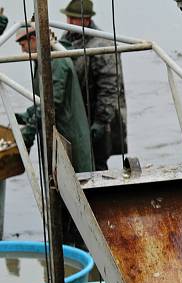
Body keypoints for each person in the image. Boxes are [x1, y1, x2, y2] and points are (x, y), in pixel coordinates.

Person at [15, 22, 93, 173]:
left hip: (70, 137)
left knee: (79, 184)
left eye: (23, 45)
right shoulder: (42, 61)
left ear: (33, 39)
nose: (23, 51)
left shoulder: (57, 61)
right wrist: (26, 115)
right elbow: (43, 100)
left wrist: (30, 131)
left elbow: (52, 102)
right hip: (58, 137)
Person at [60, 0, 127, 170]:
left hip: (97, 116)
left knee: (97, 164)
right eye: (68, 17)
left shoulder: (102, 45)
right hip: (76, 116)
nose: (68, 22)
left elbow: (110, 87)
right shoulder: (66, 39)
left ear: (86, 19)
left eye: (73, 19)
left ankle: (99, 194)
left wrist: (101, 121)